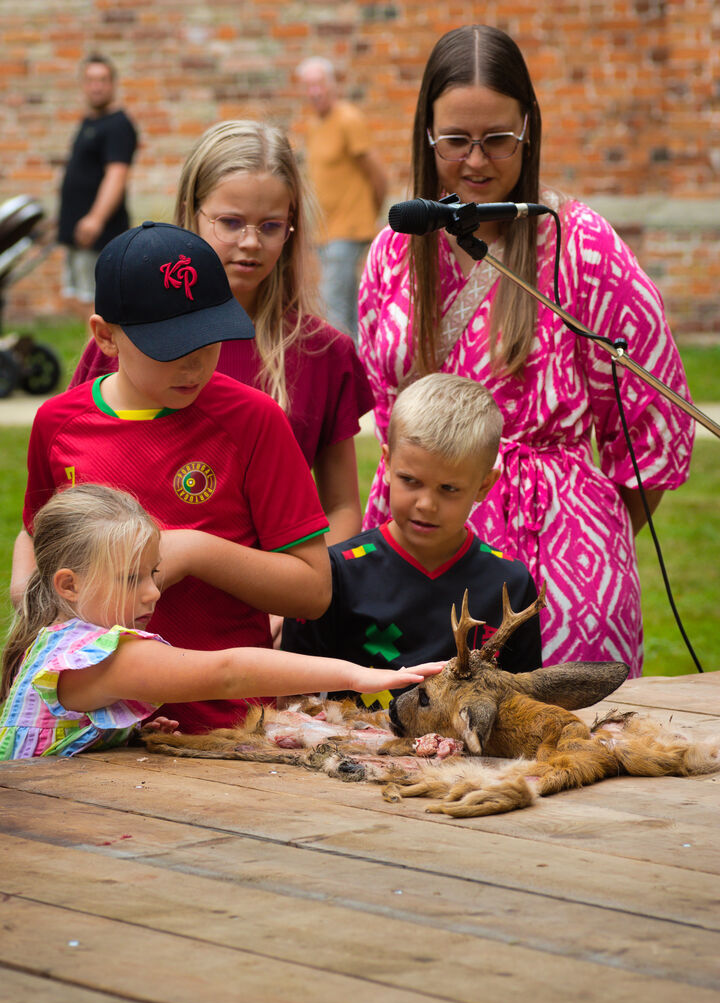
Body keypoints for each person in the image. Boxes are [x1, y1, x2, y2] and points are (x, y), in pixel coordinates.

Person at [358, 24, 695, 678]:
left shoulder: (584, 247)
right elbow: (384, 415)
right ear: (426, 135)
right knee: (401, 746)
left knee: (562, 756)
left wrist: (590, 525)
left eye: (498, 140)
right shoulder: (393, 253)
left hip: (561, 575)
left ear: (529, 131)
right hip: (415, 554)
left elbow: (658, 425)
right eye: (455, 140)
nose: (477, 162)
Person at [10, 221, 339, 734]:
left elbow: (313, 591)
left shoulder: (253, 420)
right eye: (168, 347)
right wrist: (27, 587)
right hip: (90, 731)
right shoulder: (57, 424)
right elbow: (37, 532)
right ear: (106, 336)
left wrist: (195, 551)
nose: (194, 365)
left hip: (226, 724)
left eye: (207, 341)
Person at [69, 120, 373, 544]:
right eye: (230, 223)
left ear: (292, 226)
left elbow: (340, 506)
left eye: (270, 226)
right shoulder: (129, 339)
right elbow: (70, 483)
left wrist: (301, 596)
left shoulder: (324, 351)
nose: (251, 243)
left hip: (269, 599)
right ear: (191, 212)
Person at [1, 484, 444, 760]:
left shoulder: (60, 641)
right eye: (131, 578)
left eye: (154, 573)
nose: (154, 591)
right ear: (68, 585)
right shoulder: (97, 655)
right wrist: (356, 675)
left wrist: (120, 733)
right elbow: (228, 673)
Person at [282, 373, 541, 710]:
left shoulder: (511, 584)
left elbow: (524, 706)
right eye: (410, 480)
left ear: (484, 484)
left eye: (448, 489)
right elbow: (293, 700)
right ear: (387, 463)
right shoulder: (335, 573)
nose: (425, 504)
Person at [296, 57, 387, 341]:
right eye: (309, 86)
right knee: (348, 311)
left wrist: (367, 213)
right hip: (326, 233)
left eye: (320, 84)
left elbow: (379, 176)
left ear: (333, 85)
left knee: (334, 309)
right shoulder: (314, 124)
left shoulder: (348, 120)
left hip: (347, 232)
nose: (315, 92)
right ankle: (361, 371)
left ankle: (342, 376)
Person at [57, 54, 138, 316]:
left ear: (113, 84)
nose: (97, 86)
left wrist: (95, 218)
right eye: (91, 80)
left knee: (97, 306)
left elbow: (117, 174)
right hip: (77, 230)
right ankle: (89, 357)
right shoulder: (89, 122)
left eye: (103, 80)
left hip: (98, 231)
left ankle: (99, 358)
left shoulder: (119, 125)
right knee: (80, 300)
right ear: (83, 84)